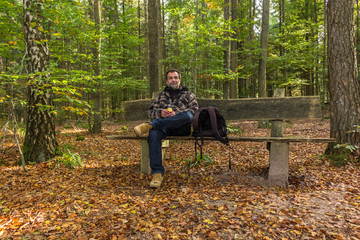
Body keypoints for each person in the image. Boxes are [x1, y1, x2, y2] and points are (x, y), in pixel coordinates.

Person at [134, 69, 199, 188]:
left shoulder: (189, 95)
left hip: (182, 128)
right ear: (166, 81)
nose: (173, 80)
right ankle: (157, 174)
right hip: (164, 127)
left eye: (175, 77)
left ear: (179, 80)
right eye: (170, 78)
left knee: (187, 116)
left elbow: (194, 112)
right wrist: (160, 113)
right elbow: (151, 112)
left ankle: (150, 125)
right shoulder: (161, 96)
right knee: (153, 134)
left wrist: (176, 114)